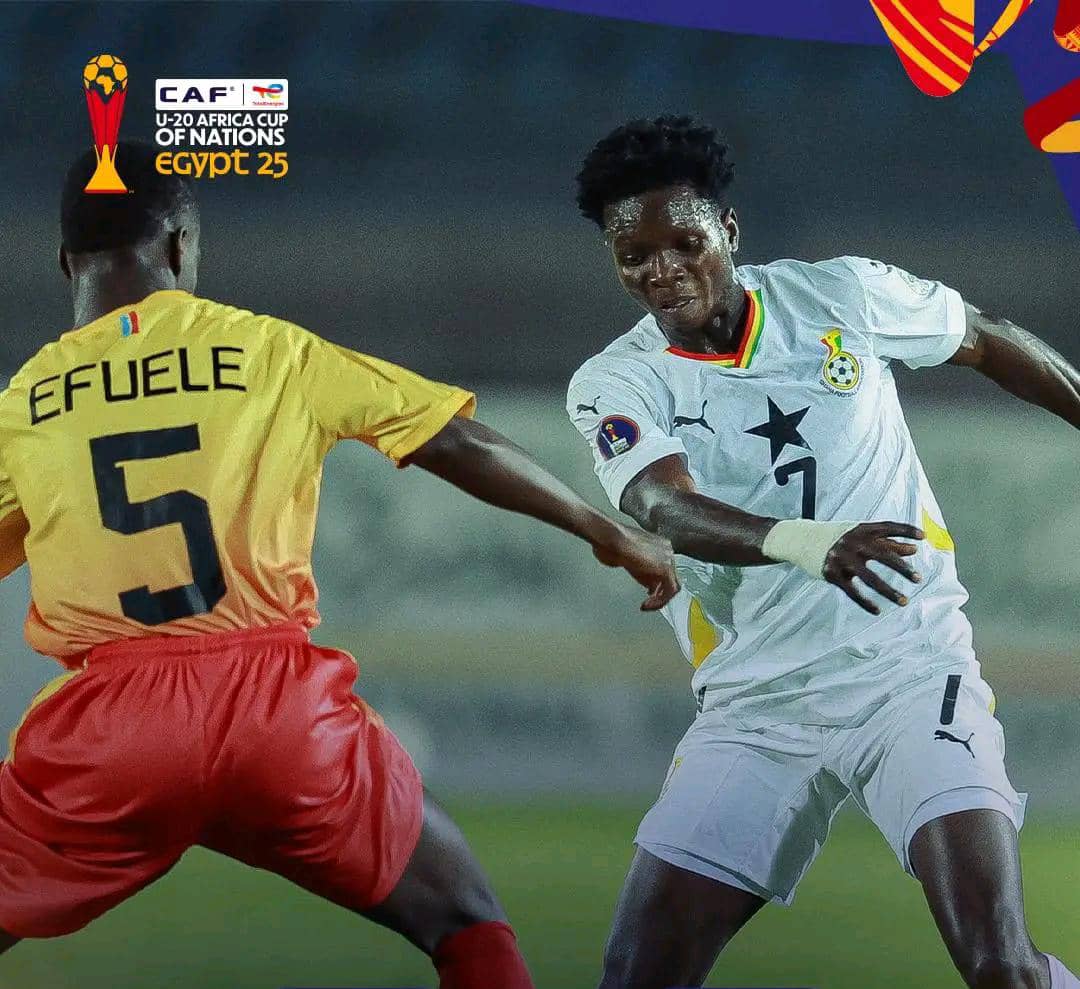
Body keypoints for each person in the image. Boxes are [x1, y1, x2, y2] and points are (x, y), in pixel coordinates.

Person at [0, 140, 679, 989]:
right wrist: (602, 529)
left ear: (66, 262)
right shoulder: (270, 351)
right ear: (178, 245)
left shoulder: (24, 407)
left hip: (113, 735)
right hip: (277, 714)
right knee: (464, 918)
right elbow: (453, 440)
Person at [565, 115, 1080, 989]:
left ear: (729, 230)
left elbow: (984, 336)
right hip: (756, 705)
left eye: (685, 242)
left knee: (1000, 966)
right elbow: (661, 502)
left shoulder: (842, 297)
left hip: (908, 675)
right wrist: (808, 543)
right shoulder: (618, 380)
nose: (662, 271)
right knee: (636, 978)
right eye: (634, 256)